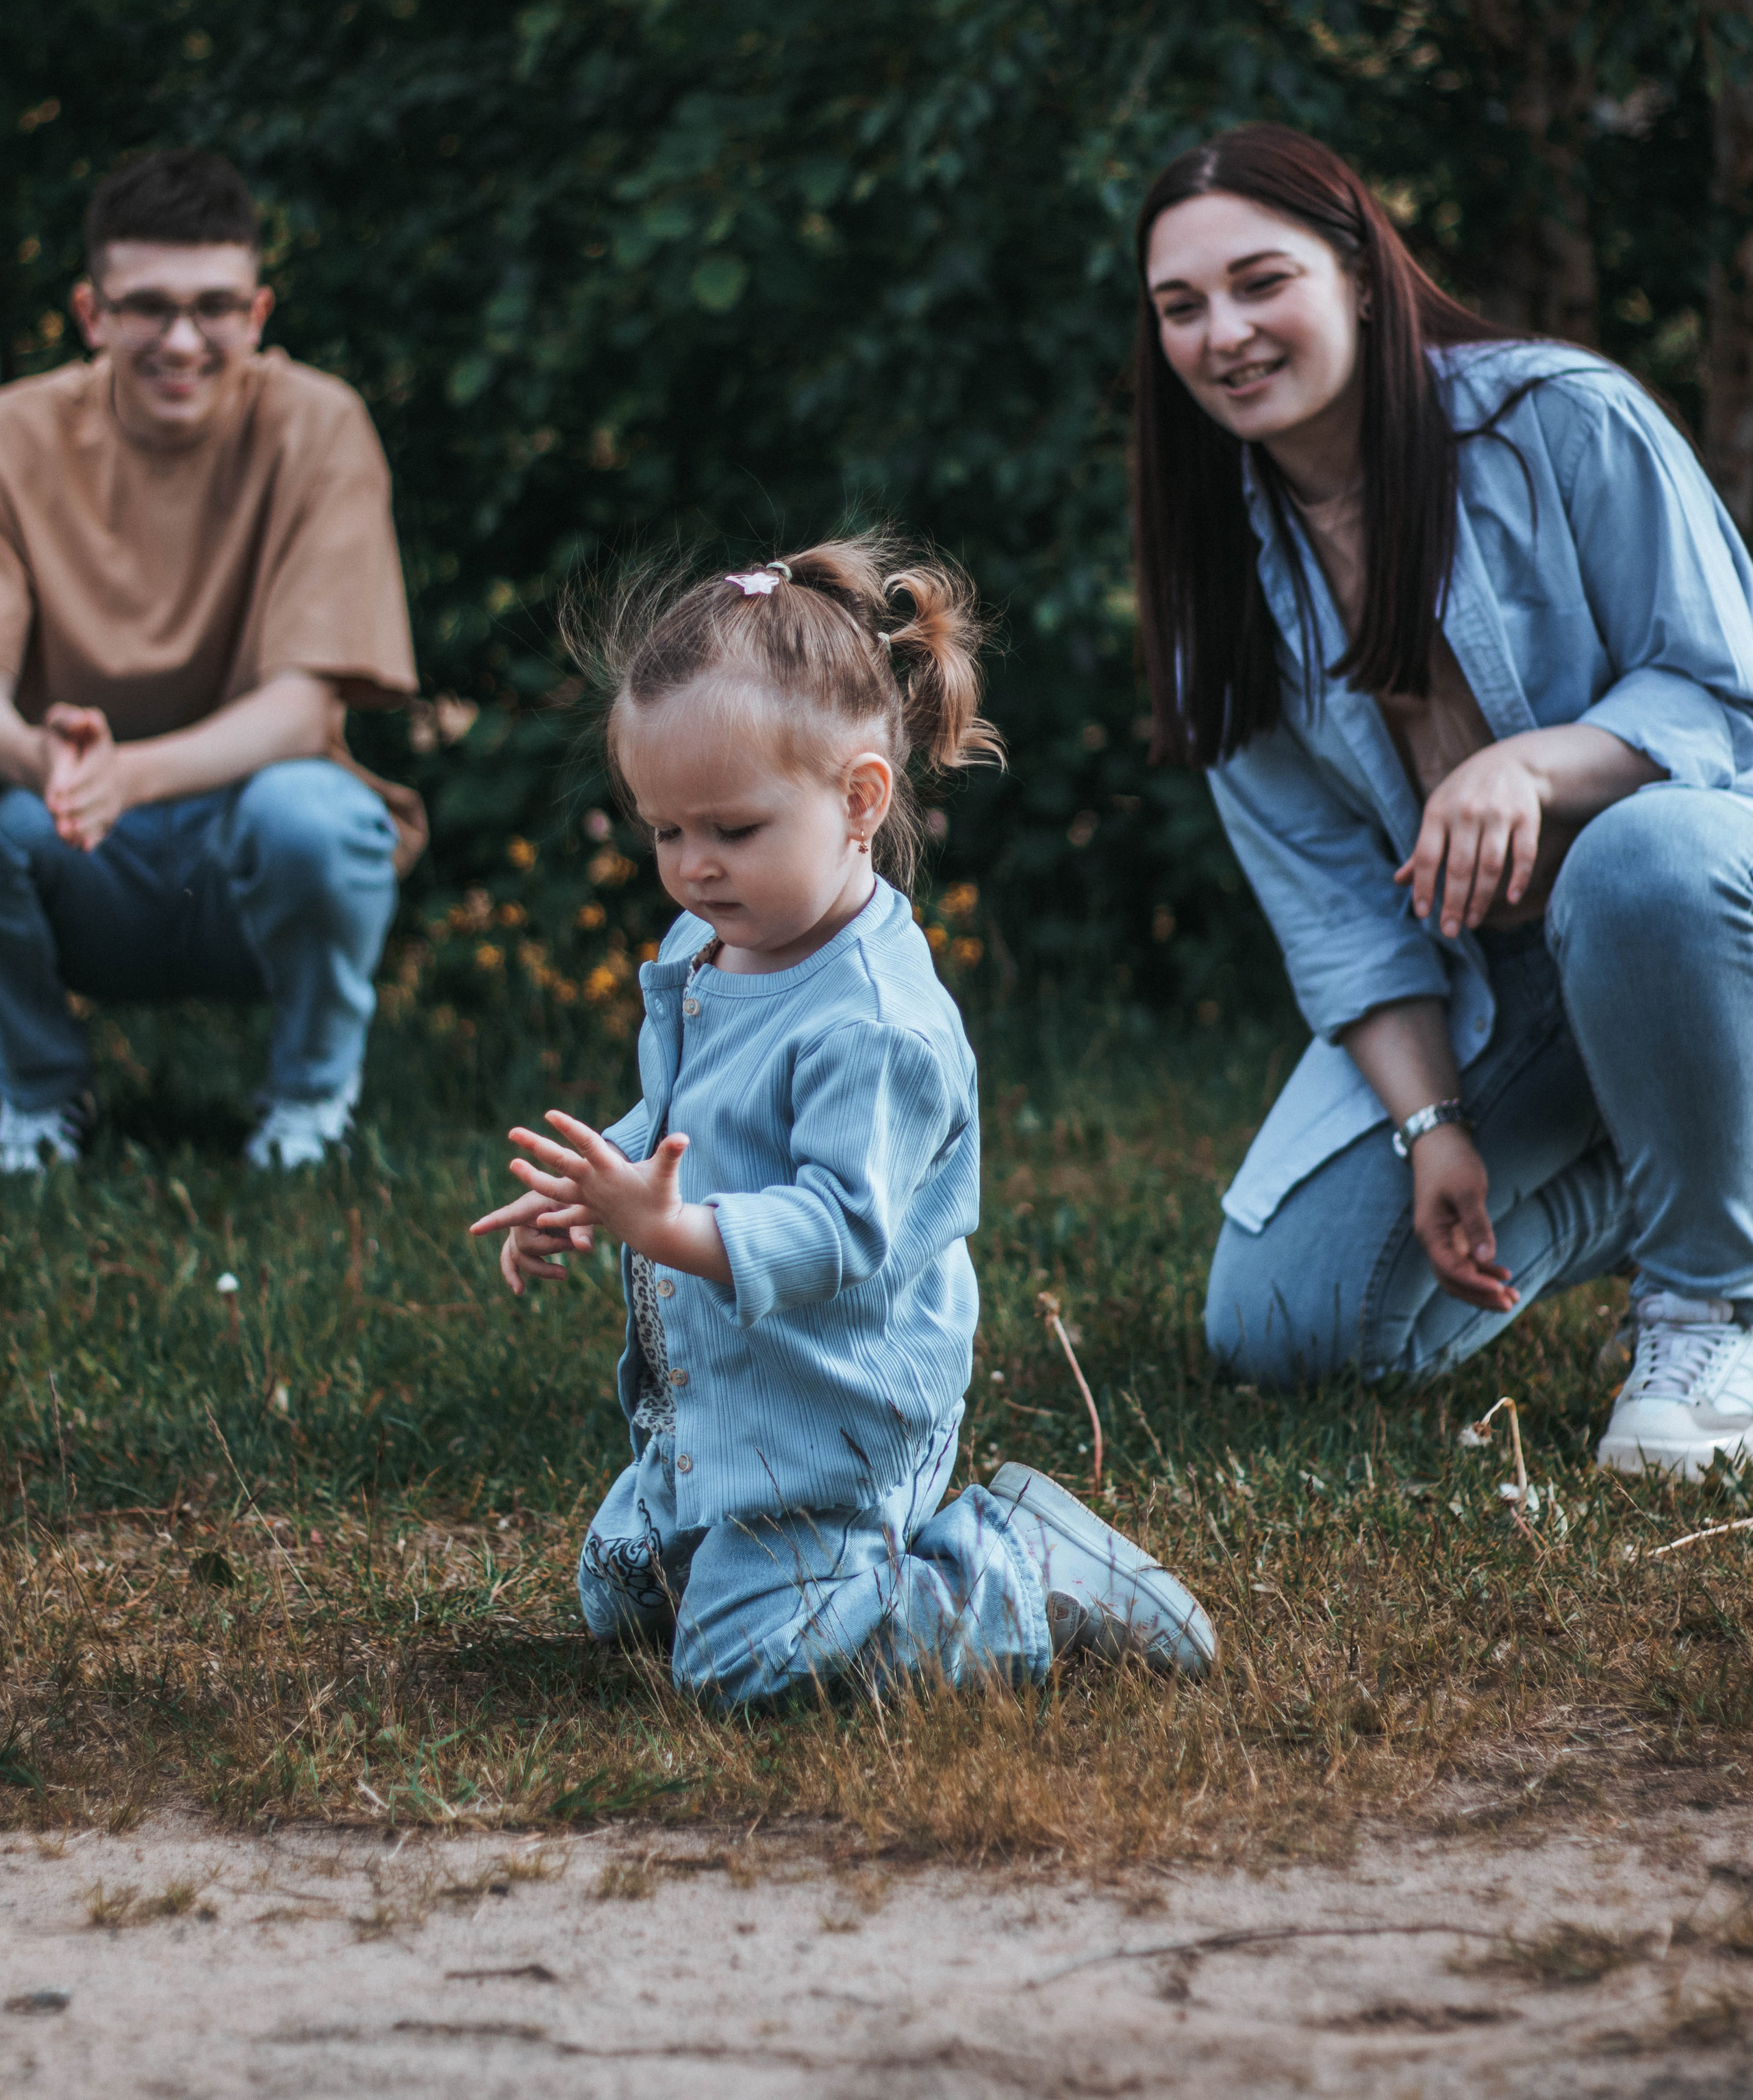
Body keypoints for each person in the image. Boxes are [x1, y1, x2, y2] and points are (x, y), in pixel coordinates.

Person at [470, 537, 1215, 1705]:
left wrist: (660, 1230)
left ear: (860, 797)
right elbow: (680, 1120)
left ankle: (1014, 1568)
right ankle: (728, 1547)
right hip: (719, 1406)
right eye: (666, 832)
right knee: (620, 1594)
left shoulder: (876, 1025)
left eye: (732, 830)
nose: (693, 868)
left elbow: (836, 1232)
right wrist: (597, 1181)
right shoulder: (711, 949)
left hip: (834, 1425)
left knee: (737, 1667)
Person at [1131, 119, 1753, 1478]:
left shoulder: (1556, 421)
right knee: (1284, 1320)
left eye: (1258, 281)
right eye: (1180, 307)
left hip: (1708, 901)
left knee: (1631, 858)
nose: (1221, 333)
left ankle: (1710, 1306)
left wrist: (1532, 761)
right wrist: (1431, 1129)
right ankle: (1679, 1200)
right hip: (1503, 982)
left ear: (1354, 271)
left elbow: (1728, 698)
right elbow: (1334, 909)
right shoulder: (1217, 586)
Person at [0, 148, 425, 1172]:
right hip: (71, 840)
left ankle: (308, 1105)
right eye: (146, 306)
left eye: (215, 306)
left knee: (315, 816)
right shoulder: (13, 434)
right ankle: (35, 1100)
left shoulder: (317, 424)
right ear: (92, 313)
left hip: (251, 846)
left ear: (259, 310)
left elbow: (300, 711)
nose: (182, 338)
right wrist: (46, 762)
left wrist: (125, 773)